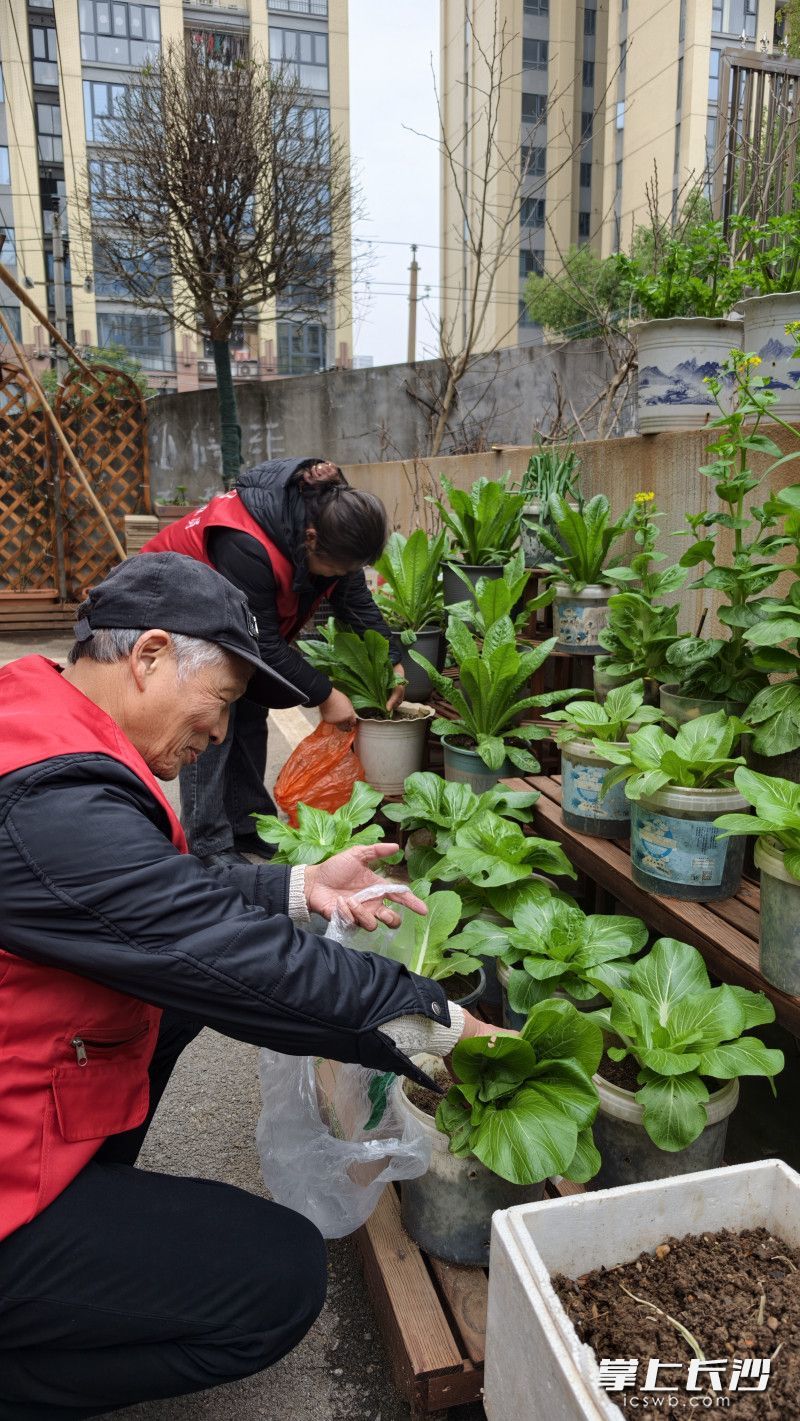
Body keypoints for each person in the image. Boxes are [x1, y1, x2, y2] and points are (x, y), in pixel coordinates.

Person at [0, 553, 500, 1420]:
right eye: (224, 701)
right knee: (281, 1278)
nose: (222, 732)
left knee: (173, 1000)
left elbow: (147, 894)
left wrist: (300, 886)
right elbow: (219, 948)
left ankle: (83, 1206)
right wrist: (437, 1022)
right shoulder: (51, 803)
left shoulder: (39, 718)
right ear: (149, 654)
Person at [141, 457, 406, 867]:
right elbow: (262, 644)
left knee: (250, 715)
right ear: (312, 538)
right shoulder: (245, 543)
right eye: (336, 569)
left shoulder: (334, 533)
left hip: (228, 619)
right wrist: (325, 694)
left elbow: (357, 604)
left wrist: (394, 661)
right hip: (167, 608)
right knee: (210, 720)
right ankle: (209, 847)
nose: (340, 575)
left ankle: (247, 827)